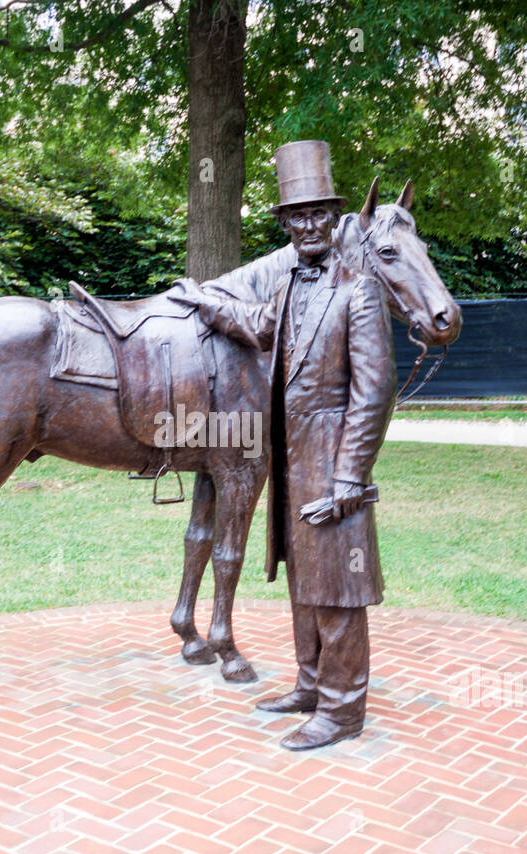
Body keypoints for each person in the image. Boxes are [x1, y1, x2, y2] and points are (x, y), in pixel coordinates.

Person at [170, 141, 396, 750]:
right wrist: (205, 300)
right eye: (296, 217)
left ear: (334, 218)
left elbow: (375, 393)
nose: (307, 226)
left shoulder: (360, 290)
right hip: (292, 459)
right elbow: (259, 326)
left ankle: (342, 711)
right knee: (304, 578)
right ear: (286, 225)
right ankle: (310, 681)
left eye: (318, 214)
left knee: (338, 587)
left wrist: (350, 477)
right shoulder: (293, 285)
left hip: (331, 458)